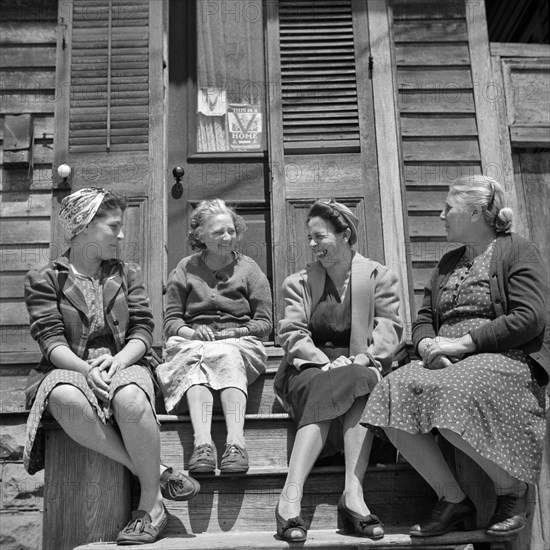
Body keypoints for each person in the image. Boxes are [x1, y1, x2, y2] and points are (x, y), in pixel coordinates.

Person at [362, 176, 549, 538]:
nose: (441, 213)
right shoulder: (449, 262)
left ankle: (512, 490)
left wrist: (463, 344)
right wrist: (427, 346)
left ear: (477, 212)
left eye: (449, 207)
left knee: (450, 394)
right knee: (389, 392)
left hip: (504, 357)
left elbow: (529, 318)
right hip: (447, 360)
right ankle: (451, 498)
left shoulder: (517, 251)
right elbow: (423, 318)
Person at [23, 187, 200, 546]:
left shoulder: (126, 273)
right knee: (65, 397)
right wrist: (86, 370)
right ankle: (159, 473)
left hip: (125, 359)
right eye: (114, 226)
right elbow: (51, 341)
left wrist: (118, 360)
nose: (121, 236)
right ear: (84, 226)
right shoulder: (45, 277)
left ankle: (149, 505)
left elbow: (142, 330)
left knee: (131, 400)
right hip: (69, 364)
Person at [273, 199, 403, 542]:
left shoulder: (380, 277)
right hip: (310, 368)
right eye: (310, 239)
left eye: (321, 237)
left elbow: (389, 331)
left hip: (361, 365)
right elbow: (291, 332)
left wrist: (361, 359)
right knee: (329, 382)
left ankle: (352, 494)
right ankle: (290, 497)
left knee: (361, 380)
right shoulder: (298, 282)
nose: (313, 245)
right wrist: (324, 361)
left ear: (345, 235)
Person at [156, 199, 272, 474]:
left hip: (240, 343)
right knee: (198, 356)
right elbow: (172, 321)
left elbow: (265, 322)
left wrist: (240, 331)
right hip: (194, 342)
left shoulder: (249, 268)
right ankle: (203, 444)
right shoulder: (185, 268)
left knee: (225, 352)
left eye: (231, 230)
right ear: (200, 235)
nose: (227, 236)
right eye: (219, 231)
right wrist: (193, 332)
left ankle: (235, 442)